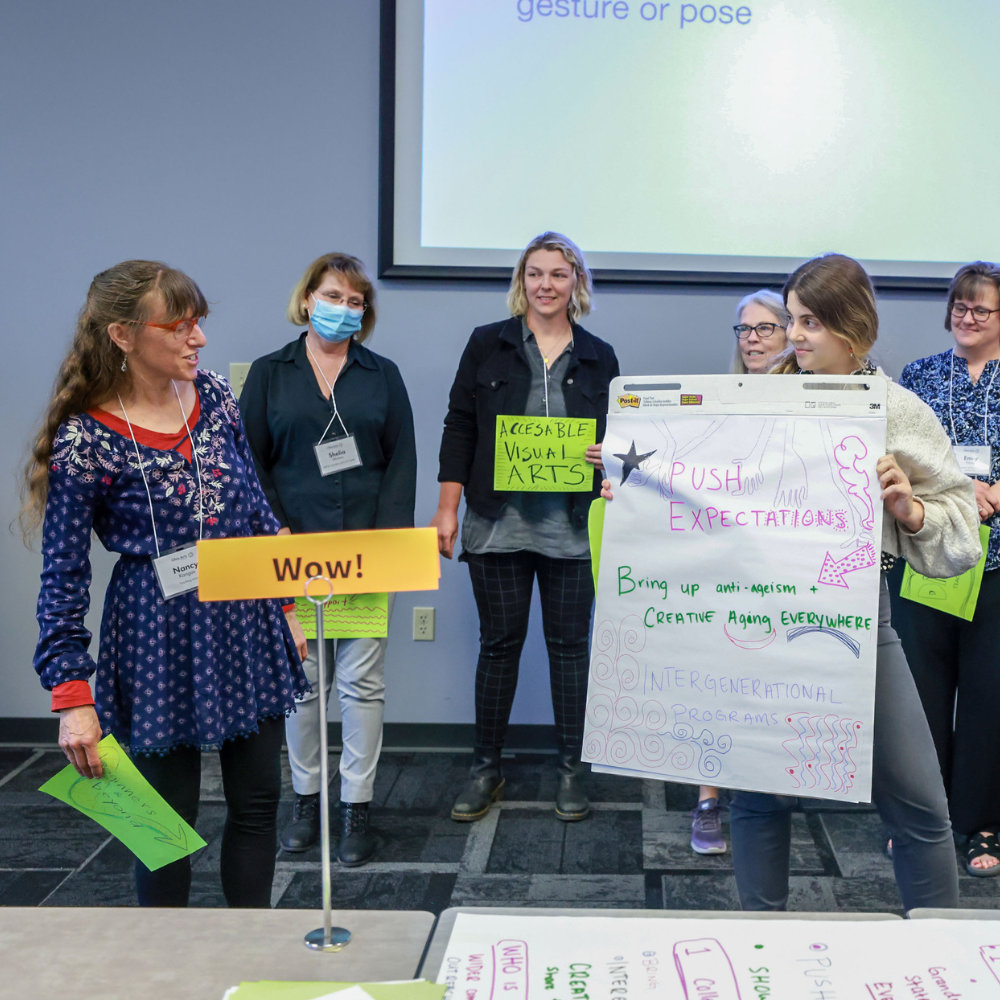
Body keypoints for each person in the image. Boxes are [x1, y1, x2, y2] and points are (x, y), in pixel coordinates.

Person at [602, 253, 980, 911]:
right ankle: (762, 945)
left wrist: (909, 510)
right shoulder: (754, 401)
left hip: (858, 621)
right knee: (756, 795)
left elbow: (960, 533)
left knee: (918, 804)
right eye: (793, 319)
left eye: (810, 322)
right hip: (761, 620)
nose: (794, 335)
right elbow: (701, 495)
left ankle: (939, 942)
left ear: (853, 327)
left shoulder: (894, 409)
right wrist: (635, 493)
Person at [26, 260, 307, 908]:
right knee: (161, 827)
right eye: (179, 326)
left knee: (259, 802)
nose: (198, 339)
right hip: (156, 633)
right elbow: (62, 575)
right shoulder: (84, 440)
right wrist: (72, 696)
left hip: (245, 617)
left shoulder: (214, 397)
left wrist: (287, 603)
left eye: (199, 323)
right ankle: (167, 970)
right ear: (123, 336)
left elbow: (253, 507)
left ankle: (248, 949)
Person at [431, 232, 619, 823]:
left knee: (570, 650)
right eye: (535, 274)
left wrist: (607, 460)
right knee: (499, 647)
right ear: (522, 282)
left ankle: (571, 768)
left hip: (569, 525)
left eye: (558, 275)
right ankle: (485, 768)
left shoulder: (599, 355)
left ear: (576, 284)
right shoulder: (486, 345)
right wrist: (446, 508)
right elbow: (460, 425)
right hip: (497, 522)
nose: (545, 285)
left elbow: (619, 435)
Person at [240, 253, 416, 867]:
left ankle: (357, 807)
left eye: (355, 301)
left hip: (366, 554)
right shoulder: (269, 373)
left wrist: (390, 546)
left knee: (363, 685)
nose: (344, 308)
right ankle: (306, 800)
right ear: (307, 297)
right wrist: (274, 528)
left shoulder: (381, 373)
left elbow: (401, 461)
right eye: (333, 295)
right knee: (305, 684)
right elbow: (250, 462)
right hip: (293, 555)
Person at [888, 261, 1000, 877]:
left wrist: (995, 494)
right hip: (927, 554)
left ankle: (982, 823)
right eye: (959, 306)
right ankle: (924, 821)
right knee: (923, 697)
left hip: (997, 564)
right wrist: (950, 501)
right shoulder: (920, 376)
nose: (966, 317)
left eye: (981, 309)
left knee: (989, 699)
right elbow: (908, 457)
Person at [690, 289, 794, 856]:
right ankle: (708, 801)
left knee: (772, 686)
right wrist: (624, 466)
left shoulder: (817, 399)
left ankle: (766, 795)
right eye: (743, 330)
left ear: (791, 332)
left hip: (789, 569)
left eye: (765, 328)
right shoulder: (716, 400)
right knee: (715, 682)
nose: (752, 339)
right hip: (724, 565)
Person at [730, 289, 791, 375]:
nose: (752, 338)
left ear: (787, 336)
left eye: (764, 328)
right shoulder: (722, 388)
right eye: (745, 328)